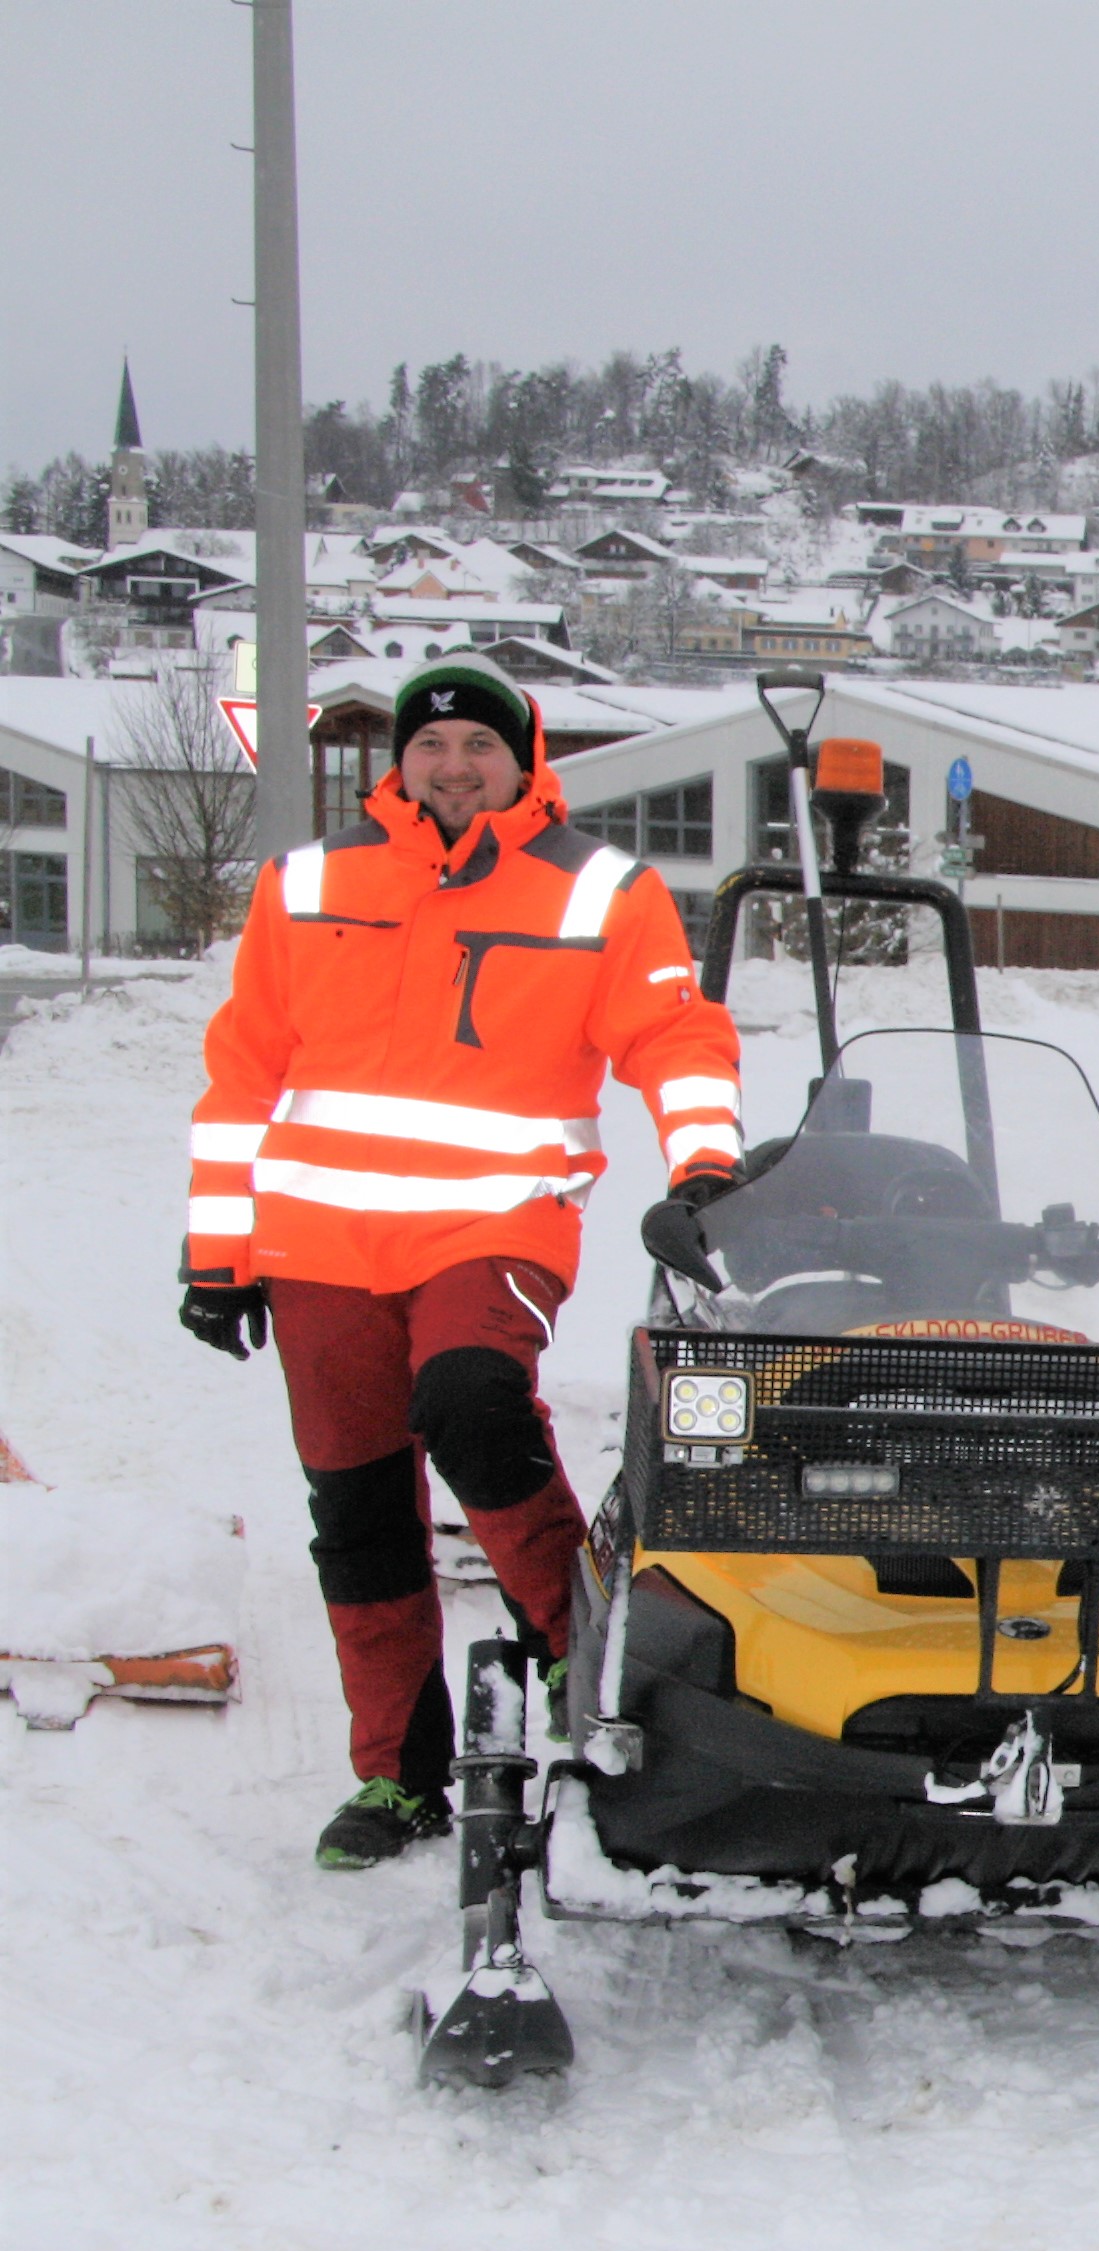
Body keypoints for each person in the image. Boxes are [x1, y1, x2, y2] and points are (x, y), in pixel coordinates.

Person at [180, 664, 745, 1870]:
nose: (451, 767)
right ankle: (398, 1778)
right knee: (360, 1512)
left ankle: (567, 1650)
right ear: (402, 760)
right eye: (431, 745)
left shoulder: (599, 889)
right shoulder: (309, 883)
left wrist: (704, 1165)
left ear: (522, 762)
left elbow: (674, 1034)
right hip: (317, 1245)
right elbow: (243, 1076)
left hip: (494, 1227)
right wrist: (217, 1254)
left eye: (477, 748)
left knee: (472, 1404)